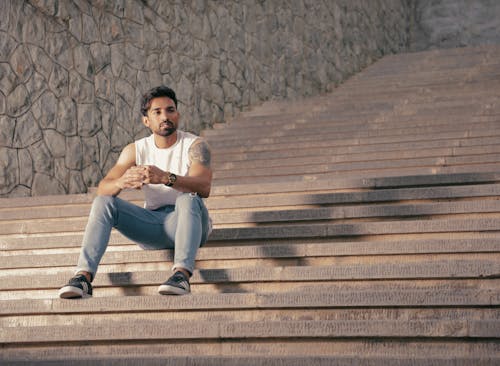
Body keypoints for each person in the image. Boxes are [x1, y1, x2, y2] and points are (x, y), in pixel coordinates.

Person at [58, 85, 212, 298]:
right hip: (154, 225)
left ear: (177, 114)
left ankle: (181, 275)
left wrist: (166, 178)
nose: (165, 116)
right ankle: (83, 278)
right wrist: (122, 182)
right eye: (157, 112)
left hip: (191, 222)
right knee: (104, 202)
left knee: (187, 198)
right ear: (146, 121)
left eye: (170, 110)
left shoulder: (195, 145)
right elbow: (103, 188)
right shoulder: (136, 150)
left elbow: (204, 186)